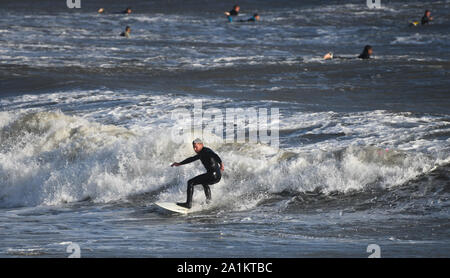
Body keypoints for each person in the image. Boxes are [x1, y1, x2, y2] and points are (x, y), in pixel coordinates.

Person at [171, 138, 224, 209]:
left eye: (196, 147)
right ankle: (209, 201)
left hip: (212, 175)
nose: (195, 149)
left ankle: (188, 204)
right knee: (204, 183)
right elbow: (191, 159)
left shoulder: (206, 151)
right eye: (193, 147)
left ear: (201, 145)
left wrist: (221, 164)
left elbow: (214, 155)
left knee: (190, 182)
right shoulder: (201, 153)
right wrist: (179, 163)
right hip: (217, 176)